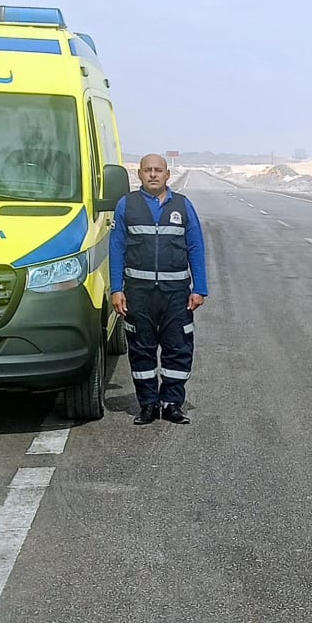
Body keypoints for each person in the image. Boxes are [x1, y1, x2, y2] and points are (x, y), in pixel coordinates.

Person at [108, 154, 208, 425]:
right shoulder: (126, 205)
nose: (153, 174)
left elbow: (196, 247)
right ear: (139, 174)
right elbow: (116, 247)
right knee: (142, 349)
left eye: (158, 170)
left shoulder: (183, 206)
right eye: (148, 170)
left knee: (178, 348)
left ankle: (172, 403)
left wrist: (199, 288)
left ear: (167, 175)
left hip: (176, 295)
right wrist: (116, 288)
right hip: (138, 294)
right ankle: (148, 405)